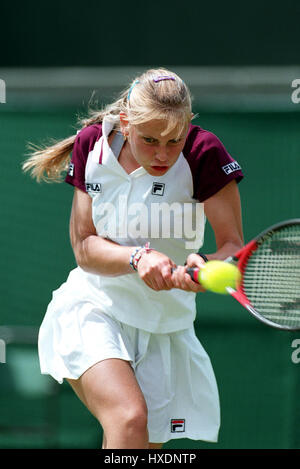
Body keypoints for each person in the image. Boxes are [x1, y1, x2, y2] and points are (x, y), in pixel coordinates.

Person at [23, 68, 244, 449]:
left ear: (190, 126)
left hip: (165, 325)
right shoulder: (93, 146)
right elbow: (85, 247)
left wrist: (204, 266)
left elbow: (233, 247)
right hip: (94, 309)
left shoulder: (205, 153)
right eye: (150, 140)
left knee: (143, 447)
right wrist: (137, 257)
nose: (163, 152)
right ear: (125, 123)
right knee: (129, 420)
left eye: (175, 140)